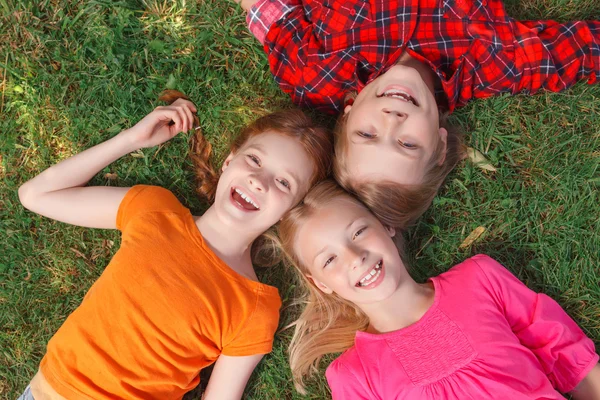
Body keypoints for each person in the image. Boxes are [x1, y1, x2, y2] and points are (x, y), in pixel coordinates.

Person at [16, 91, 332, 400]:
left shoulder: (255, 308)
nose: (258, 181)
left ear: (291, 211)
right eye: (254, 160)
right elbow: (35, 195)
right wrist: (131, 140)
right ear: (229, 160)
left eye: (283, 183)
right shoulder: (154, 209)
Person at [237, 0, 599, 227]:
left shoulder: (314, 75)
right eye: (407, 144)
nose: (392, 120)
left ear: (346, 113)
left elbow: (269, 11)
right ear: (441, 146)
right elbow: (582, 51)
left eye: (367, 134)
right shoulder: (495, 61)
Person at [278, 180, 600, 398]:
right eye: (330, 259)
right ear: (320, 283)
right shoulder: (354, 376)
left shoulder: (480, 278)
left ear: (386, 225)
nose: (354, 257)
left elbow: (566, 355)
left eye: (359, 231)